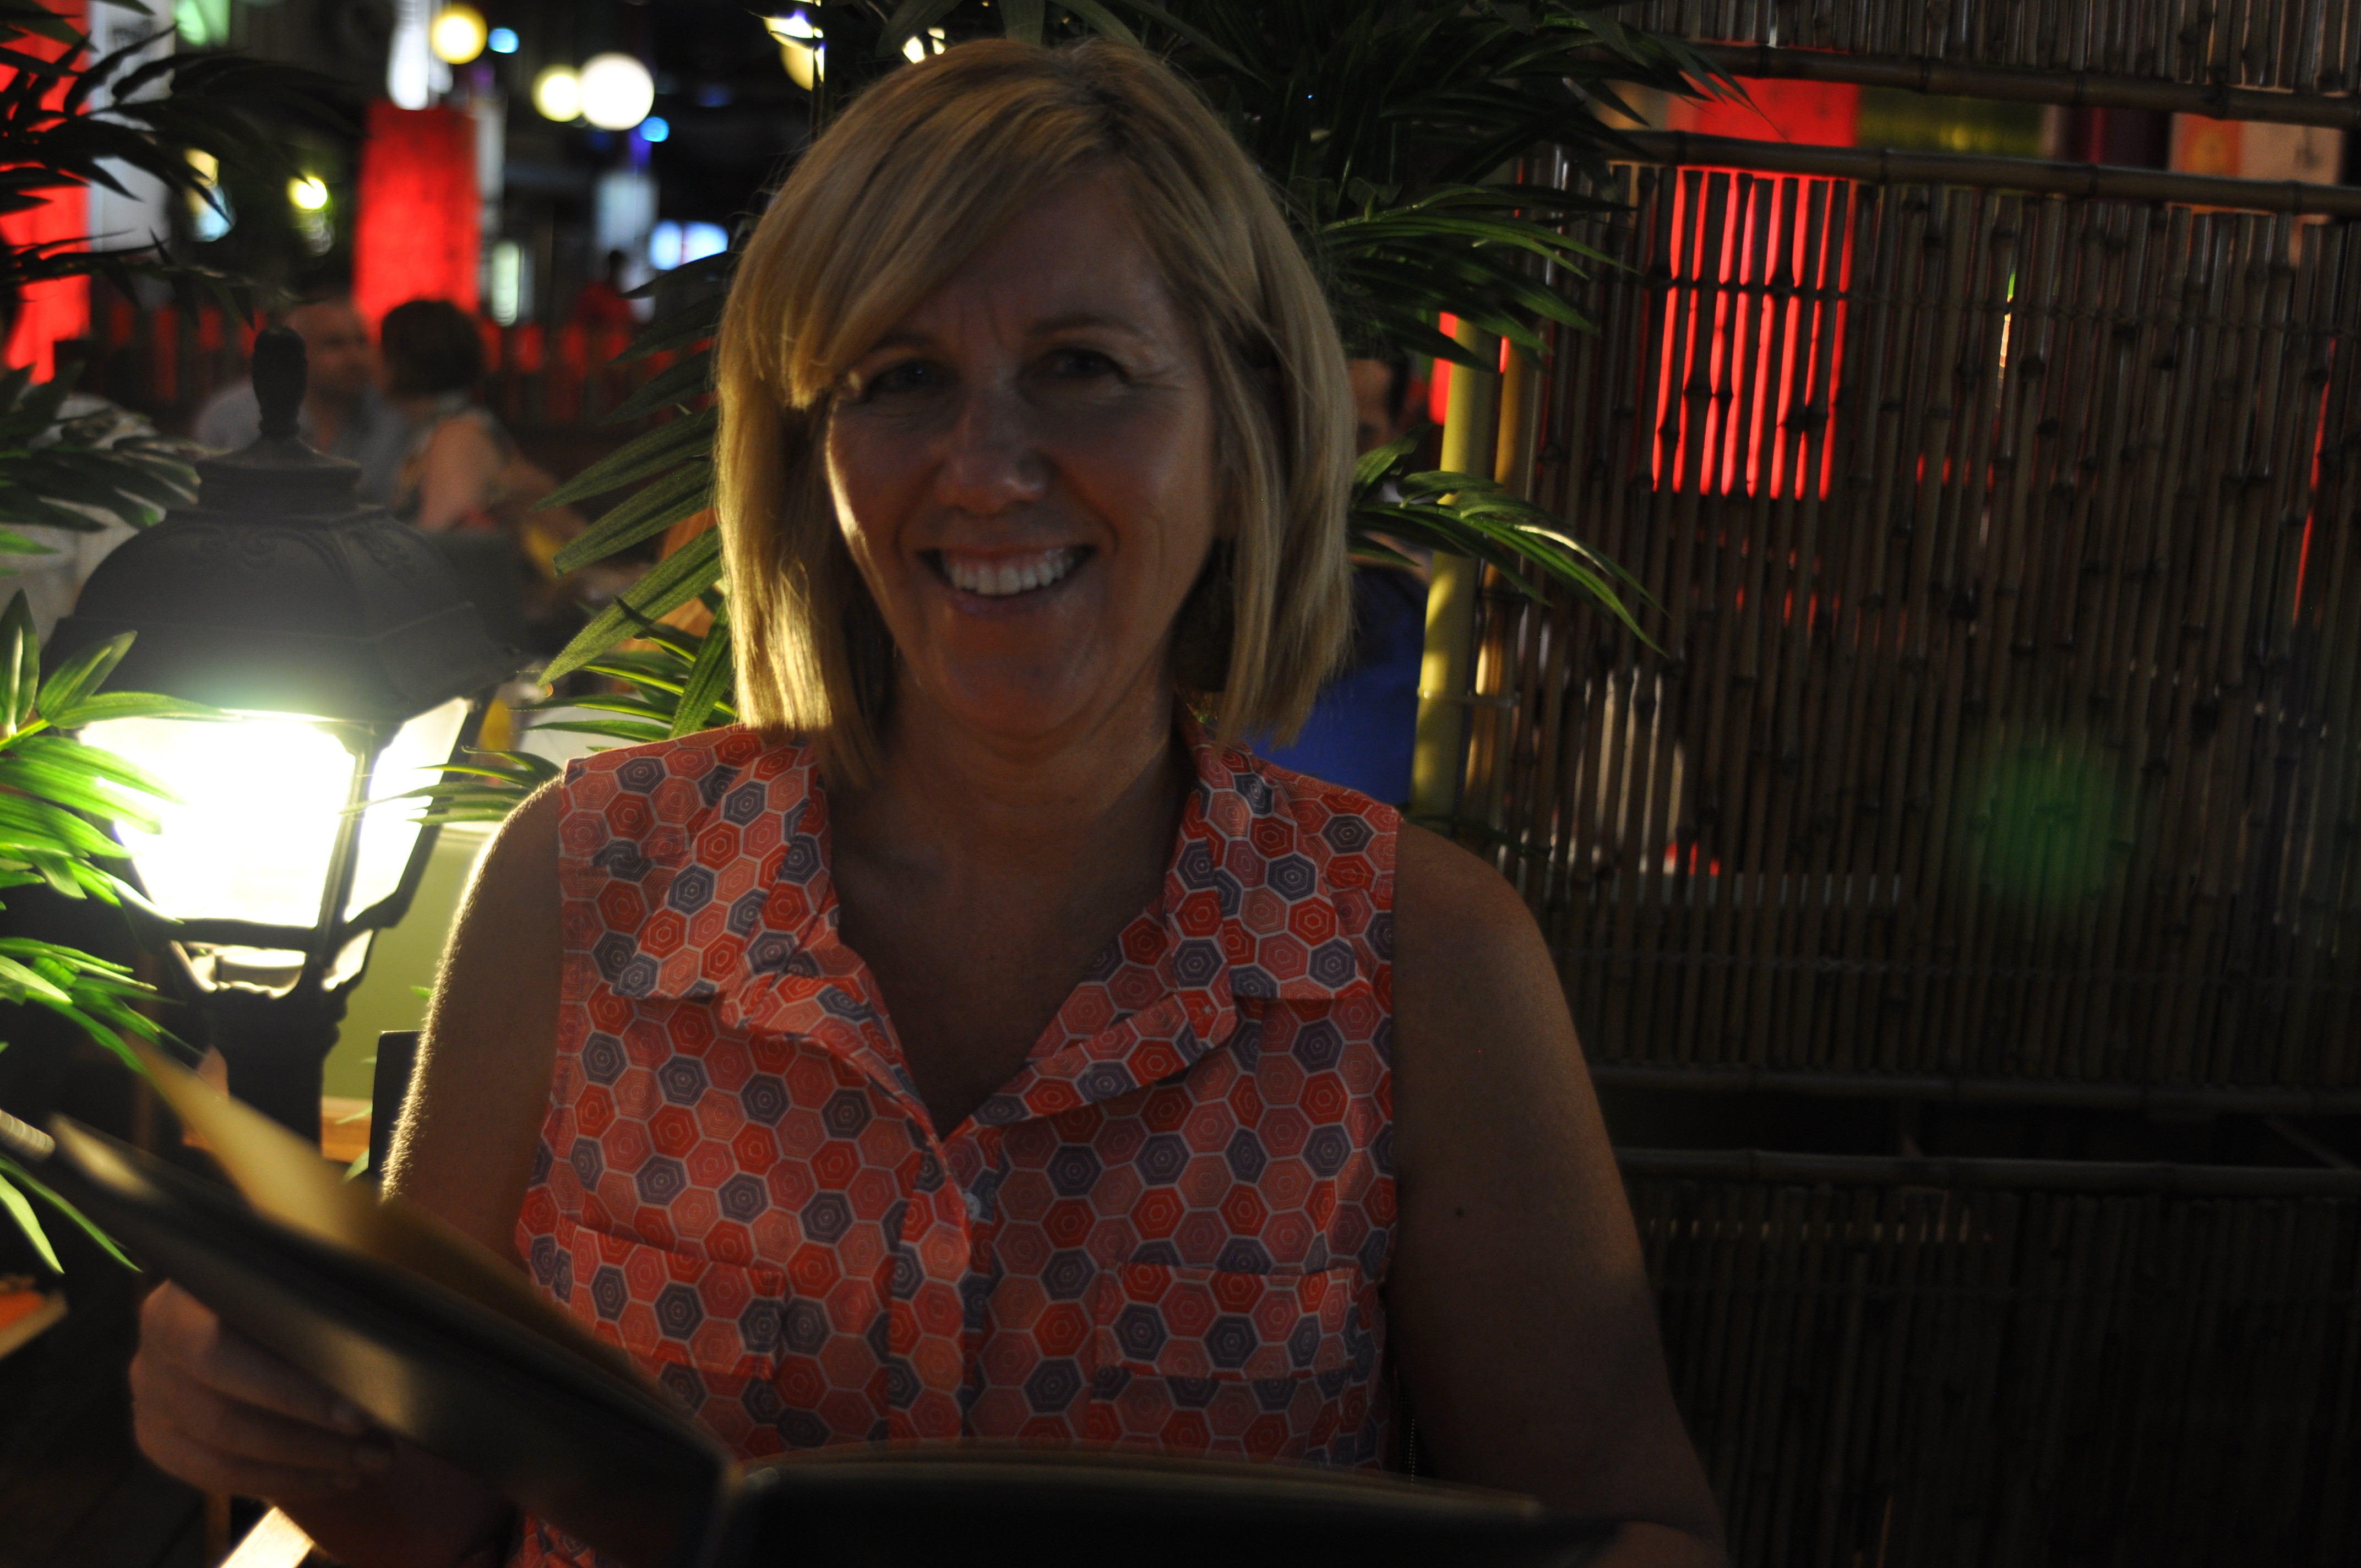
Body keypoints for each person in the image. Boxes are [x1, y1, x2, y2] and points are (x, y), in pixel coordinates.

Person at [128, 39, 1725, 1568]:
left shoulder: (1412, 957)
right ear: (809, 455)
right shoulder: (592, 872)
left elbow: (1642, 1528)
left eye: (1082, 368)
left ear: (1242, 437)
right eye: (900, 378)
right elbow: (436, 1515)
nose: (985, 467)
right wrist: (274, 1414)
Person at [194, 296, 409, 507]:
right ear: (296, 356)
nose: (355, 358)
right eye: (335, 344)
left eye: (362, 342)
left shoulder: (390, 416)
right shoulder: (234, 416)